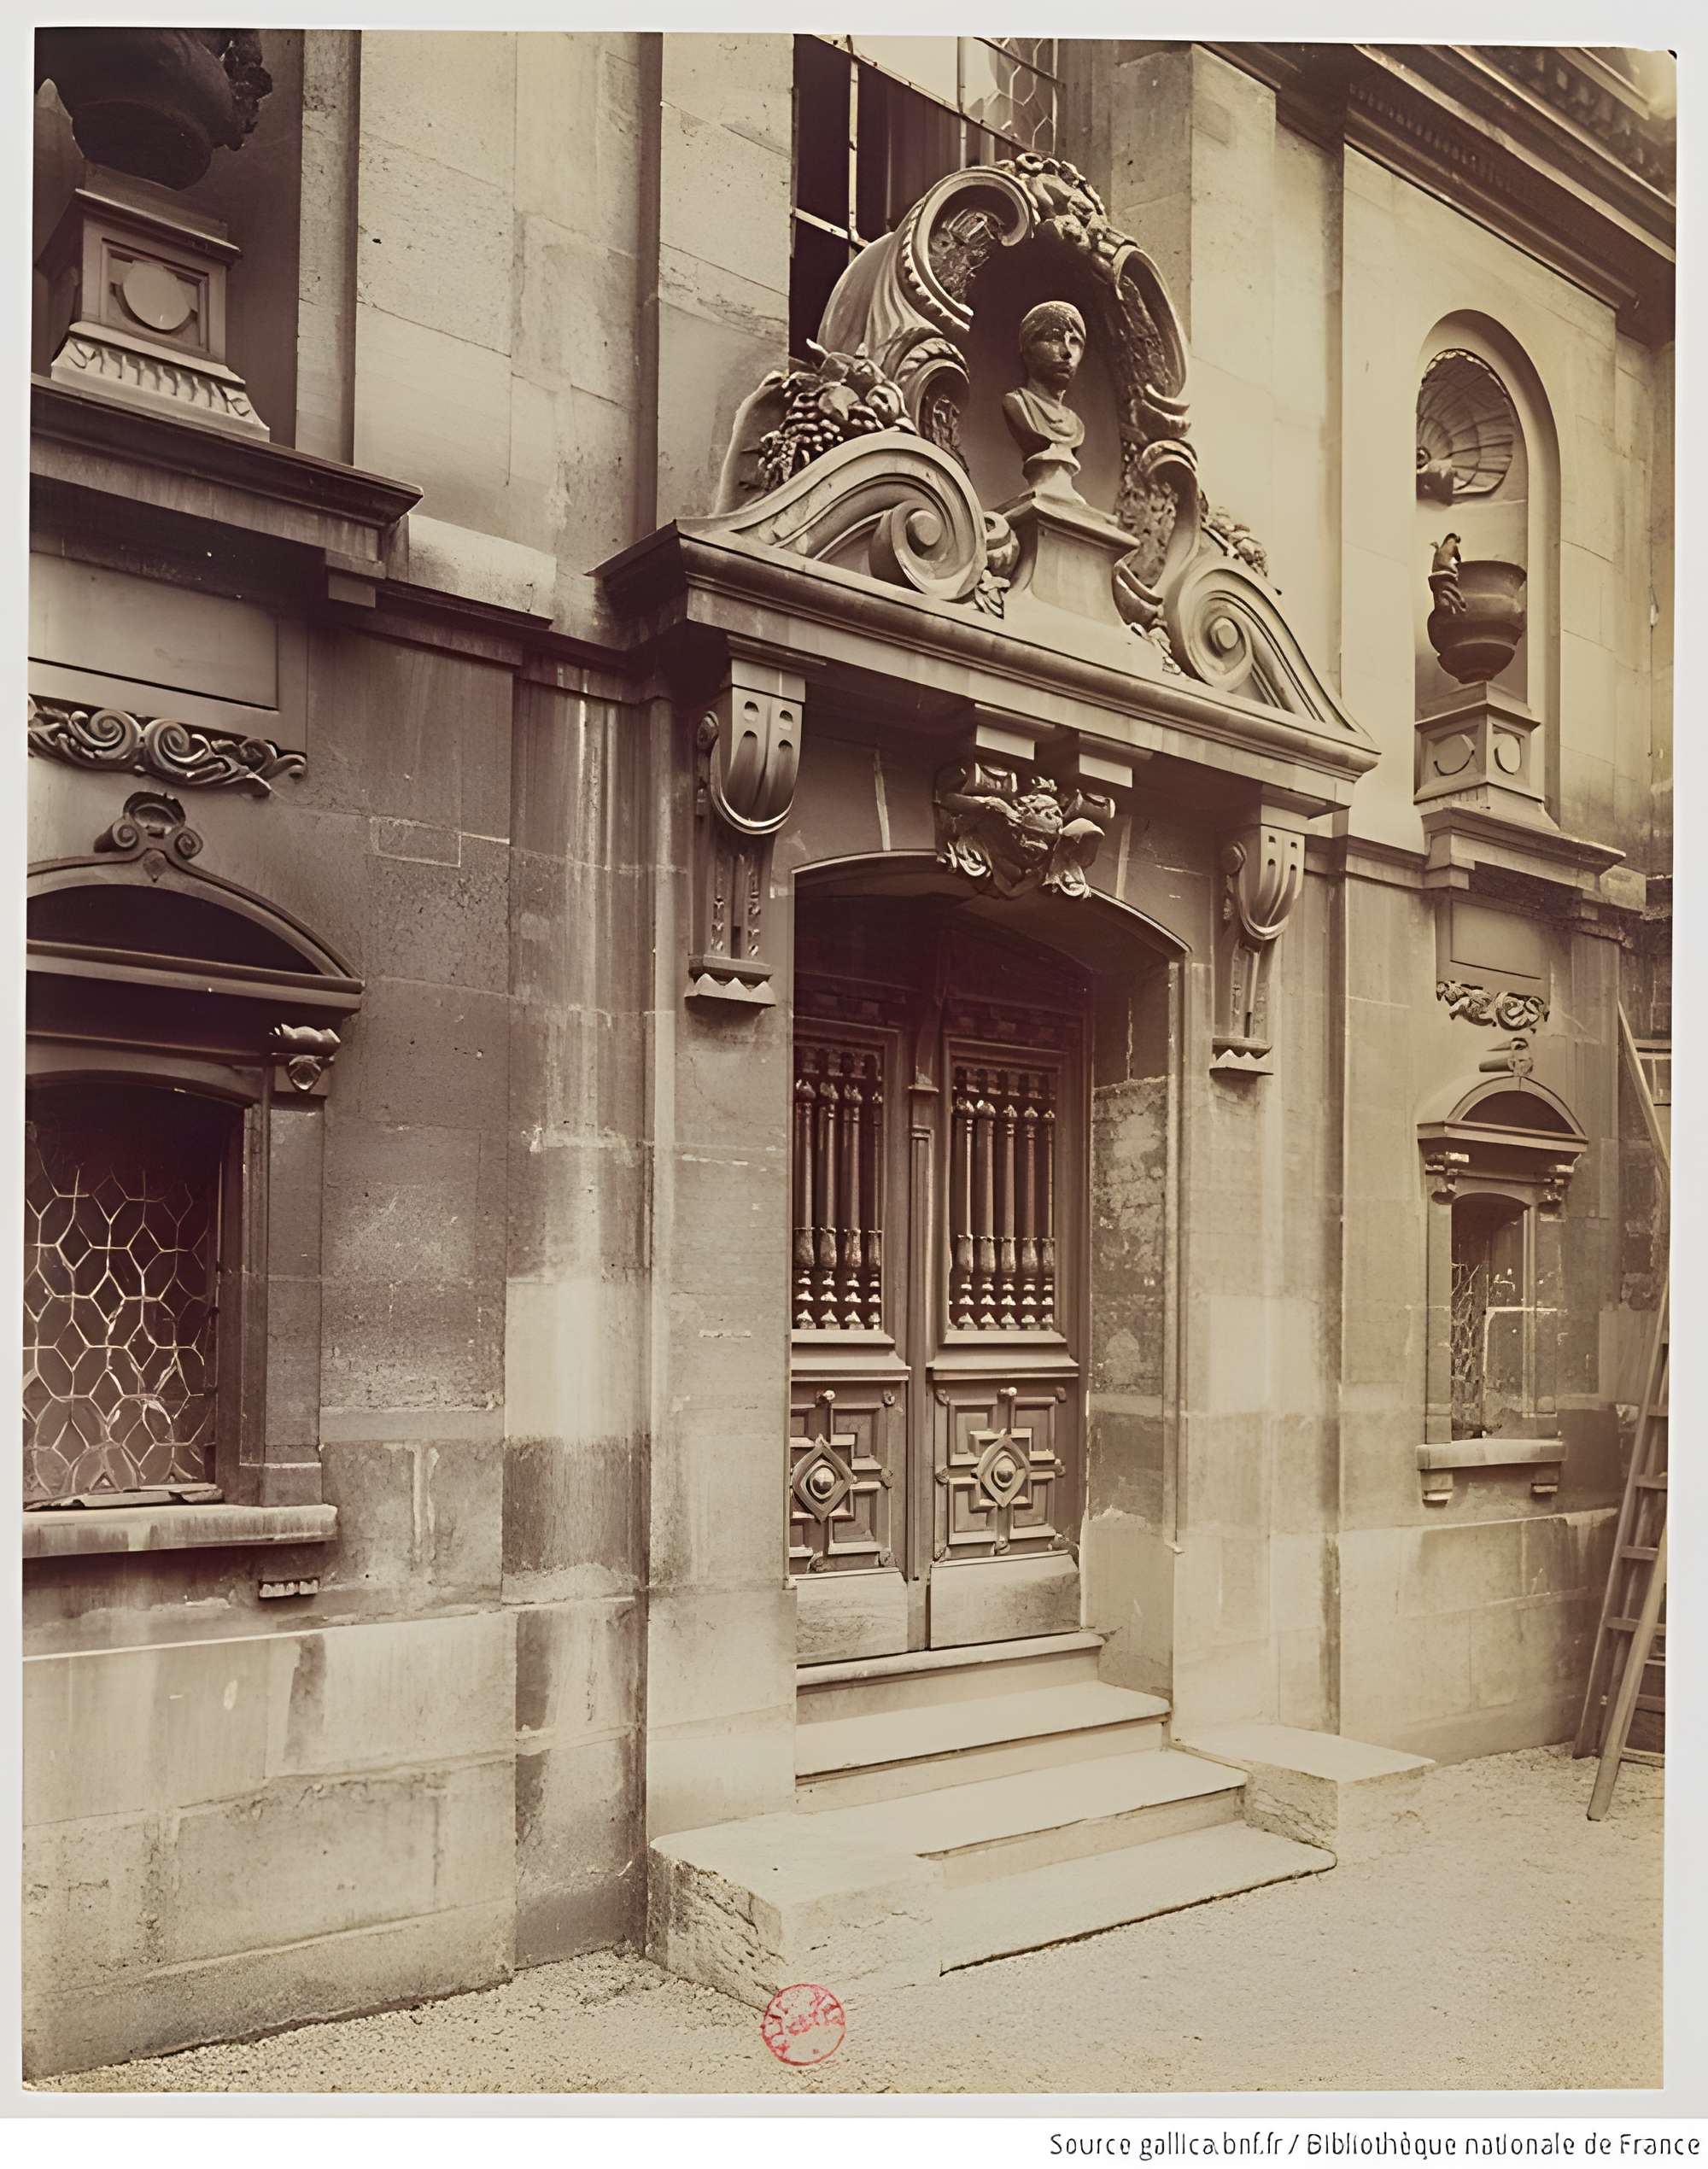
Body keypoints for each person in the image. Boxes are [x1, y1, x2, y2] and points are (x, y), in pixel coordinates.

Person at [1002, 300, 1087, 500]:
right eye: (1054, 338)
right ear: (1029, 348)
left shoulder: (1077, 426)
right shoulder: (1017, 405)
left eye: (1075, 341)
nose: (1067, 352)